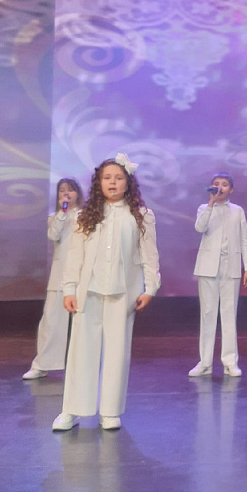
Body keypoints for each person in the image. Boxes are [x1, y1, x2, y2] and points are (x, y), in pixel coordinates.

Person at [52, 153, 160, 432]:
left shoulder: (141, 216)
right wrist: (69, 288)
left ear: (128, 183)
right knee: (81, 351)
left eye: (118, 178)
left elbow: (149, 256)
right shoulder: (86, 215)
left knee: (117, 352)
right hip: (88, 291)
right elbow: (74, 256)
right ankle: (72, 409)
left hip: (123, 293)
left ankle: (110, 411)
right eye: (107, 177)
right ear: (99, 182)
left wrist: (151, 288)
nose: (112, 182)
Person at [189, 172, 247, 378]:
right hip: (208, 266)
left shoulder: (237, 211)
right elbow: (200, 227)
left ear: (231, 190)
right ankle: (205, 363)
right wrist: (210, 204)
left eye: (225, 184)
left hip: (230, 266)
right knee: (208, 314)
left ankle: (230, 362)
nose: (220, 187)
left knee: (228, 314)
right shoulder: (203, 208)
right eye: (216, 184)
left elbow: (245, 240)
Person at [23, 178, 84, 380]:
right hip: (60, 276)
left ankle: (83, 366)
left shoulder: (86, 216)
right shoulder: (55, 217)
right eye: (62, 190)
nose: (66, 193)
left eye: (70, 190)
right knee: (51, 321)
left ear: (78, 193)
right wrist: (62, 212)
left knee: (83, 323)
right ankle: (41, 365)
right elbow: (53, 235)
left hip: (83, 275)